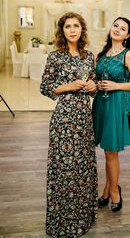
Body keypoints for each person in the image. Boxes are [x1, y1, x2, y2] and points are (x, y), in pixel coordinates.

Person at [40, 12, 98, 237]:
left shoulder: (88, 56)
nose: (72, 30)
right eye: (67, 26)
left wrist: (93, 88)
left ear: (81, 29)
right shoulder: (55, 57)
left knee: (82, 167)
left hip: (84, 118)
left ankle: (83, 216)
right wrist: (69, 86)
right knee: (64, 168)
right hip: (64, 119)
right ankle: (62, 220)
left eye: (76, 26)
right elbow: (45, 87)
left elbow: (93, 85)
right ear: (62, 31)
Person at [92, 17, 130, 212]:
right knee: (107, 150)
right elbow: (98, 78)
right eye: (116, 26)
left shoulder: (128, 54)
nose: (117, 30)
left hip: (117, 103)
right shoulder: (102, 54)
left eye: (123, 29)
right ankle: (107, 189)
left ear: (127, 35)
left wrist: (115, 86)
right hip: (102, 103)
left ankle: (114, 190)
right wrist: (96, 84)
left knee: (111, 151)